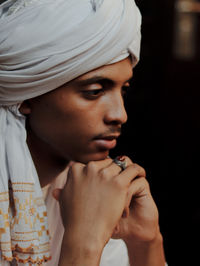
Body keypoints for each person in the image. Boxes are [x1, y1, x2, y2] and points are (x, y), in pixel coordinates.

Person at [0, 0, 167, 265]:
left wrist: (146, 242)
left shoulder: (95, 192)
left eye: (123, 89)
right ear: (27, 97)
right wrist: (85, 243)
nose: (120, 114)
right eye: (94, 91)